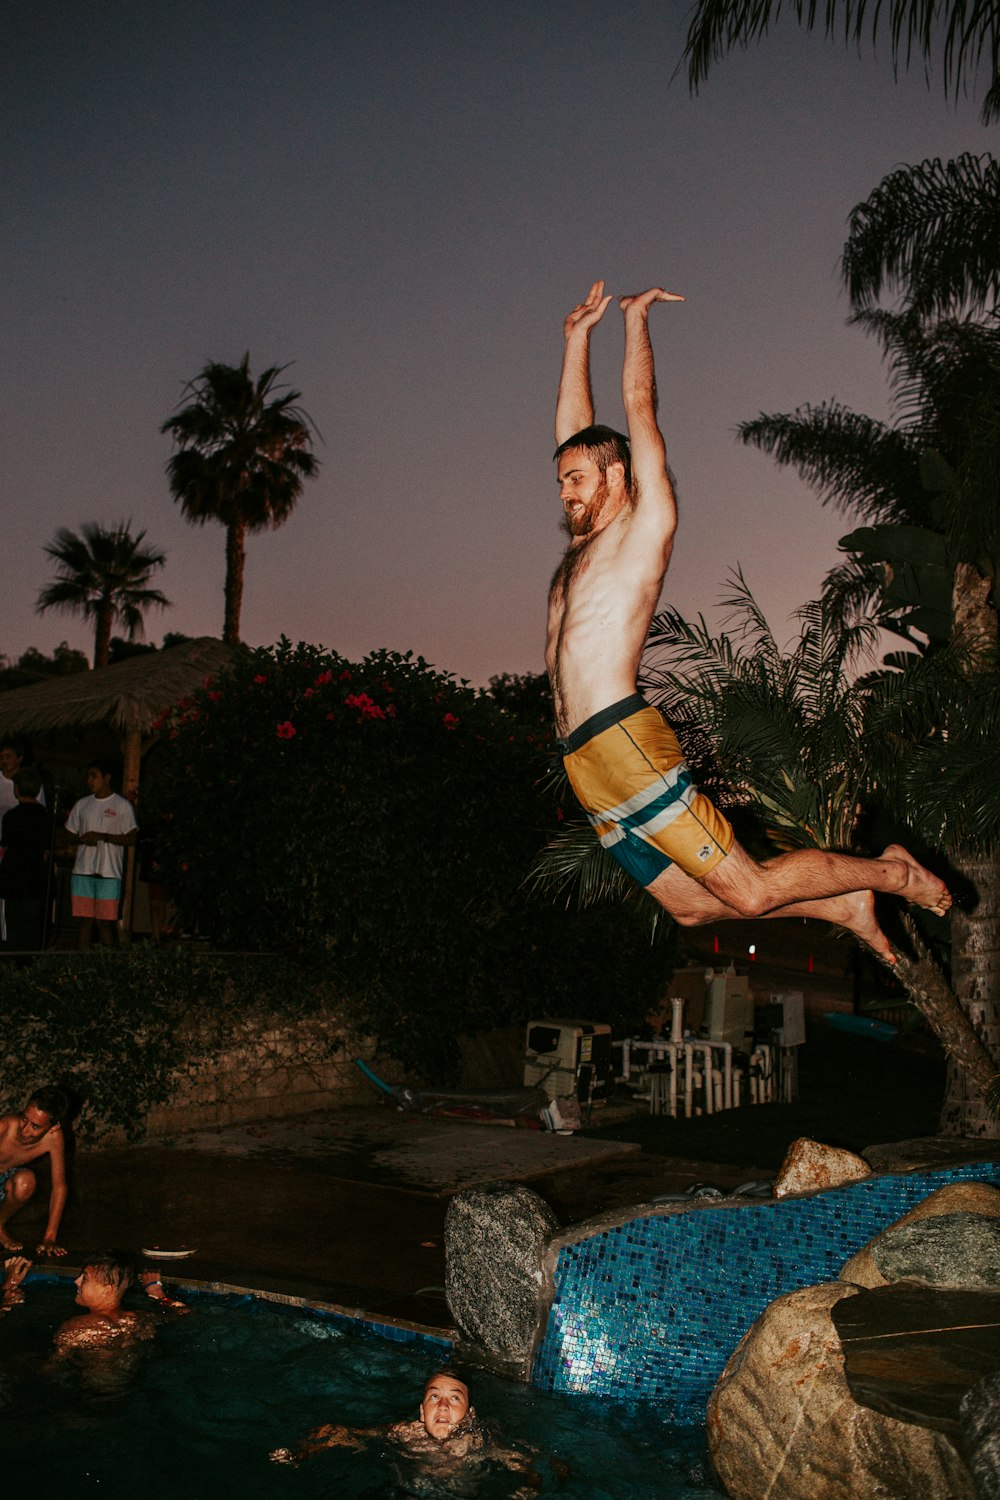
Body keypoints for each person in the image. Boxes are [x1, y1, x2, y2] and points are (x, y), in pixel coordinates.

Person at [546, 281, 951, 965]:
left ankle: (891, 873)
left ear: (617, 477)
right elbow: (577, 435)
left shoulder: (645, 528)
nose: (565, 492)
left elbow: (638, 410)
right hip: (584, 760)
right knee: (690, 905)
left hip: (622, 741)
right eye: (562, 481)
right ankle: (844, 904)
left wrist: (634, 321)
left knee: (753, 892)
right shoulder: (582, 543)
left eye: (577, 480)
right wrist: (576, 338)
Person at [271, 1369, 538, 1490]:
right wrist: (302, 1453)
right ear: (422, 1412)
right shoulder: (404, 1433)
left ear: (470, 1415)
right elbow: (340, 1431)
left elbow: (528, 1468)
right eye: (434, 1397)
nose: (442, 1406)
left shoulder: (482, 1442)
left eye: (454, 1398)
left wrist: (529, 1488)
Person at [0, 1249, 187, 1352]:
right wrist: (157, 1293)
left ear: (107, 1290)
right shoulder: (139, 1319)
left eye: (85, 1278)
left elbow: (50, 1370)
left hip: (91, 1399)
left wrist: (6, 1295)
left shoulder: (78, 1327)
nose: (76, 1281)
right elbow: (184, 1314)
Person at [64, 759, 138, 948]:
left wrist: (103, 837)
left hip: (109, 873)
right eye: (88, 776)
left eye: (94, 776)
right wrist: (82, 839)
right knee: (84, 921)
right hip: (83, 870)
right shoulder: (82, 804)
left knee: (105, 923)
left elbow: (131, 838)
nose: (89, 780)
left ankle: (108, 966)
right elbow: (69, 834)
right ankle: (82, 964)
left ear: (107, 778)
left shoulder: (122, 806)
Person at [0, 1086, 70, 1255]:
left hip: (3, 1179)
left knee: (26, 1181)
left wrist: (49, 1238)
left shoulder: (53, 1138)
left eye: (35, 1127)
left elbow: (59, 1187)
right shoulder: (4, 1127)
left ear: (52, 1127)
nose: (25, 1130)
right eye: (24, 1119)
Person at [0, 766, 52, 951]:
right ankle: (30, 961)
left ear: (17, 789)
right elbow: (46, 850)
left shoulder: (11, 816)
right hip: (34, 875)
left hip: (12, 875)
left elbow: (5, 847)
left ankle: (14, 960)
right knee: (32, 922)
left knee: (13, 922)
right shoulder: (44, 816)